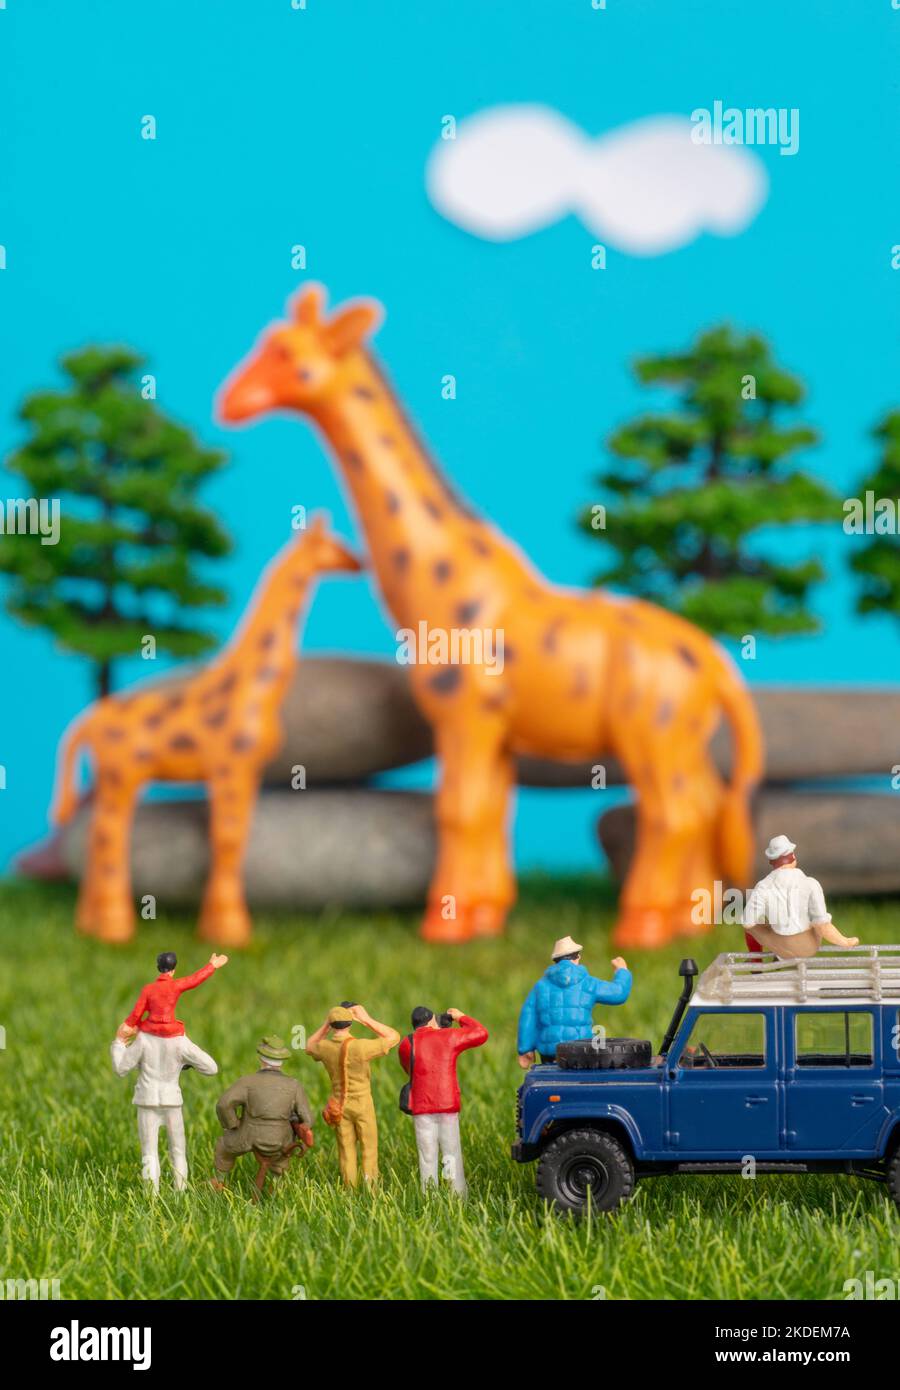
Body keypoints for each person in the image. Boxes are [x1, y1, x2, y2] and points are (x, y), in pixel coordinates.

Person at [110, 1022, 217, 1193]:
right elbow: (211, 1068)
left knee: (149, 1153)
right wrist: (187, 1058)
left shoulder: (143, 1040)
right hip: (172, 1100)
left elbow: (121, 1068)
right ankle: (180, 1193)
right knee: (178, 1150)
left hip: (147, 1100)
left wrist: (119, 1042)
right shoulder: (180, 1042)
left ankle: (151, 1194)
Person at [398, 1006, 488, 1198]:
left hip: (421, 1105)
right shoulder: (448, 1037)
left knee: (426, 1154)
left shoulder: (407, 1043)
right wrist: (461, 1017)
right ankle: (455, 1191)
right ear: (432, 1020)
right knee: (450, 1152)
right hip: (446, 1104)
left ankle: (428, 1192)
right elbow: (481, 1033)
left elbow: (408, 1067)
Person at [306, 1004, 399, 1186]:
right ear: (350, 1023)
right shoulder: (361, 1047)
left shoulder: (325, 1047)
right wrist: (366, 1019)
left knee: (346, 1150)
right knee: (368, 1148)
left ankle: (350, 1188)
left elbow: (309, 1046)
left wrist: (326, 1023)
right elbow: (393, 1037)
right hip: (363, 1103)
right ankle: (370, 1188)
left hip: (340, 1105)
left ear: (332, 1025)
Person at [212, 1035, 314, 1190]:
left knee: (224, 1148)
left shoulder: (247, 1081)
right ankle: (278, 1187)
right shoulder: (294, 1085)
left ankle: (219, 1181)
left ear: (262, 1058)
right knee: (280, 1160)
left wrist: (232, 1124)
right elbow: (308, 1119)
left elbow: (223, 1104)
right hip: (281, 1139)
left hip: (248, 1134)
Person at [517, 936, 631, 1066]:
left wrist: (525, 1049)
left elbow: (528, 1016)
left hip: (550, 1051)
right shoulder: (588, 983)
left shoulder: (540, 986)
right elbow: (618, 993)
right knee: (582, 1083)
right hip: (582, 1050)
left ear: (555, 961)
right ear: (577, 958)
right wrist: (622, 971)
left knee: (549, 1080)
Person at [742, 835, 858, 959]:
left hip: (781, 946)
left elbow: (747, 922)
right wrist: (845, 941)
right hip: (809, 947)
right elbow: (822, 925)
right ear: (793, 857)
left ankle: (756, 961)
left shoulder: (763, 887)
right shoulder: (810, 883)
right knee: (815, 920)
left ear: (771, 861)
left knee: (752, 927)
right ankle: (778, 955)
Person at [122, 950, 228, 1037]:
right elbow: (194, 979)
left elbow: (137, 1012)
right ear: (173, 970)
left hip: (150, 1028)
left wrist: (129, 1024)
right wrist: (212, 966)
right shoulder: (176, 985)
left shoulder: (148, 988)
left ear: (159, 968)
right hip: (171, 1029)